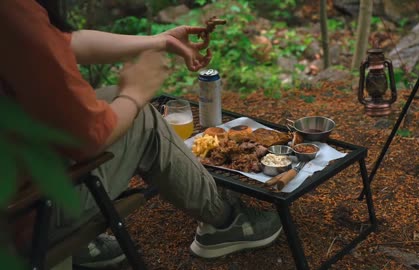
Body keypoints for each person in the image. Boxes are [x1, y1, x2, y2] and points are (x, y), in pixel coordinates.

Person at [1, 1, 282, 268]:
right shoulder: (13, 11)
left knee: (112, 98)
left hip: (18, 185)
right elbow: (92, 135)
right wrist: (135, 94)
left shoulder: (16, 15)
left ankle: (76, 245)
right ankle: (225, 221)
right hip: (28, 217)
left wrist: (159, 41)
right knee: (143, 117)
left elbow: (61, 42)